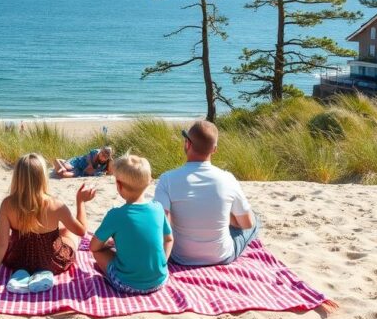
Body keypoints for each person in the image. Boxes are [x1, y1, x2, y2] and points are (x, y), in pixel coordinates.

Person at [0, 153, 95, 290]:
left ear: (17, 177)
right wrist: (80, 202)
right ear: (42, 177)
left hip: (17, 260)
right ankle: (42, 274)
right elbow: (81, 231)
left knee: (60, 231)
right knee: (70, 234)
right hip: (51, 262)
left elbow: (2, 244)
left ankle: (21, 275)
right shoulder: (56, 205)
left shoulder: (7, 204)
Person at [154, 120, 259, 267]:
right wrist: (225, 216)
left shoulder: (167, 179)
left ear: (187, 144)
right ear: (214, 149)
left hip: (180, 256)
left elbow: (160, 223)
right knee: (255, 220)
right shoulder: (227, 178)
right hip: (220, 256)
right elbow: (247, 224)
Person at [90, 154, 172, 294]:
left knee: (100, 251)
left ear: (119, 185)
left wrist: (108, 244)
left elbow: (93, 246)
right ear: (150, 181)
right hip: (160, 280)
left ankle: (110, 274)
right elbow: (169, 239)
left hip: (126, 284)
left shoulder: (115, 215)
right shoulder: (158, 208)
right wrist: (163, 261)